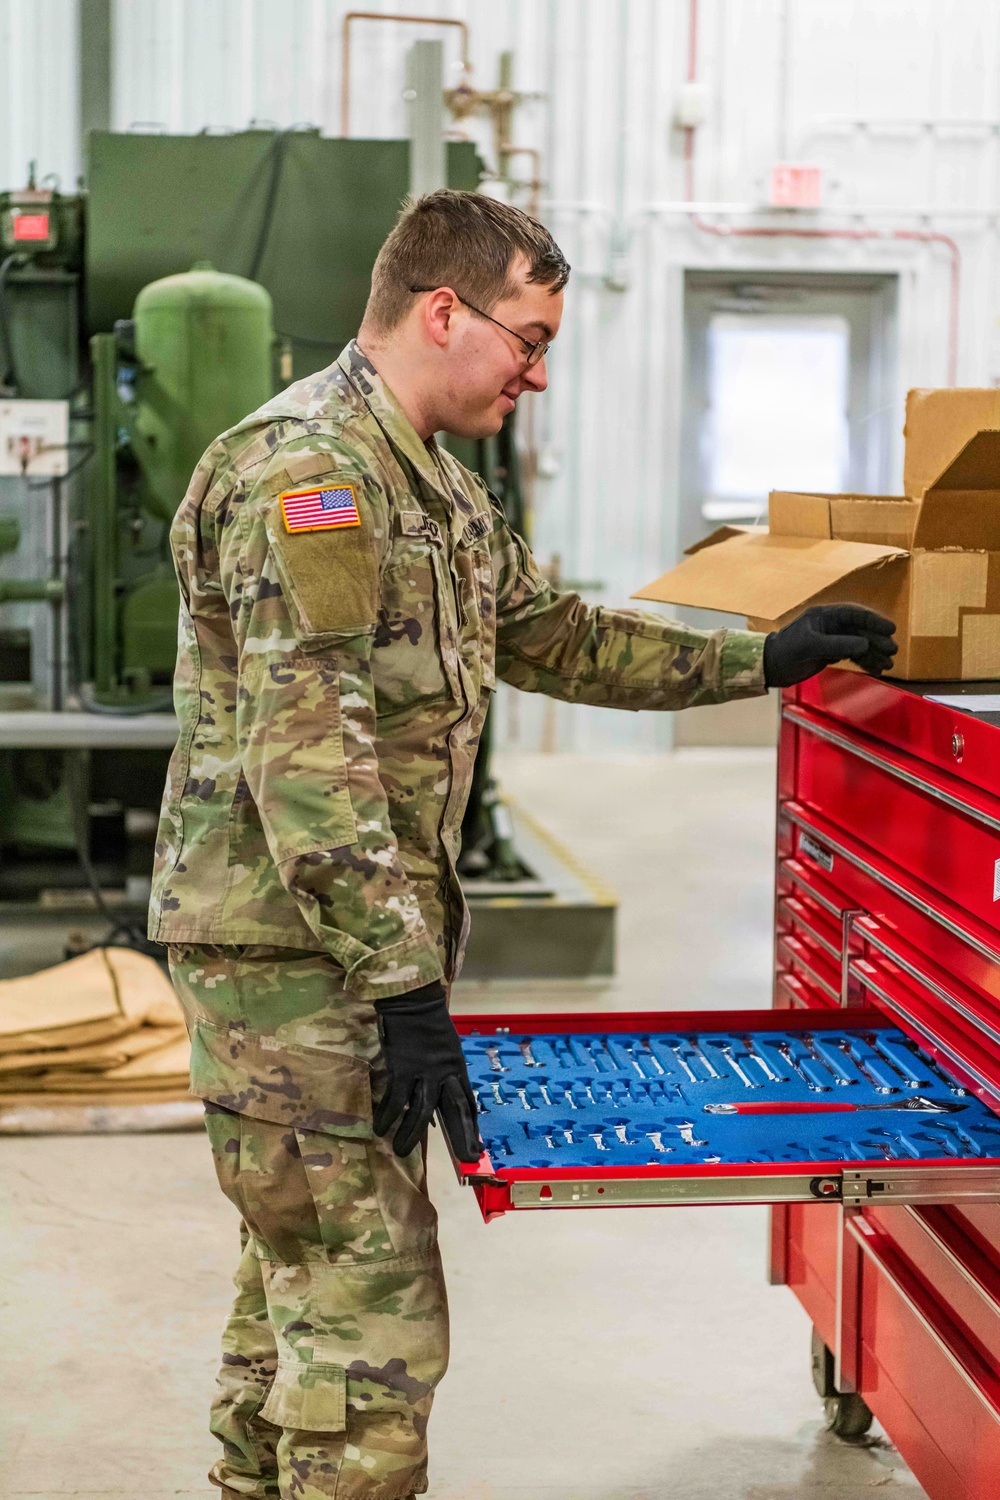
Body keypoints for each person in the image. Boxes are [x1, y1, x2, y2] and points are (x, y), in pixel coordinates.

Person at [150, 189, 896, 1500]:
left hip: (330, 960)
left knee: (300, 1287)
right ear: (444, 311)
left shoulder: (431, 484)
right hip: (294, 965)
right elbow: (307, 760)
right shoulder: (312, 474)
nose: (538, 374)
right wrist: (401, 983)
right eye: (529, 338)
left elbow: (558, 634)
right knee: (375, 1329)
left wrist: (762, 656)